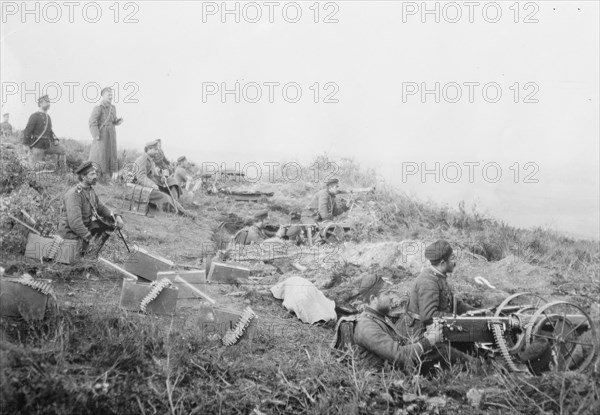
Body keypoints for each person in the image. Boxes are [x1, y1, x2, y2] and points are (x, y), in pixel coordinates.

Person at [354, 274, 444, 372]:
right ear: (373, 299)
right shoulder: (367, 327)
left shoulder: (379, 318)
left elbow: (401, 345)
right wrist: (428, 342)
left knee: (443, 352)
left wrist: (425, 337)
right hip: (382, 383)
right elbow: (399, 356)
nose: (392, 297)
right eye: (387, 293)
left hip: (394, 376)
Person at [57, 161, 124, 257]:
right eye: (92, 174)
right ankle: (85, 252)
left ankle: (89, 252)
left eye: (96, 173)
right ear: (83, 177)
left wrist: (116, 216)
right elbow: (75, 223)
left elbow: (100, 207)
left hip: (84, 230)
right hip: (71, 234)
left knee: (109, 223)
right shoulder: (75, 195)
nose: (96, 176)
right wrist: (89, 238)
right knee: (80, 258)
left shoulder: (89, 190)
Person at [130, 140, 183, 213]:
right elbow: (141, 177)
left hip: (147, 185)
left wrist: (162, 176)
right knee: (165, 197)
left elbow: (154, 174)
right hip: (140, 187)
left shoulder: (150, 160)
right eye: (155, 150)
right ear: (148, 149)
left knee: (172, 182)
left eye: (157, 150)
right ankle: (181, 211)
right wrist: (152, 185)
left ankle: (176, 206)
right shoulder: (142, 159)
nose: (157, 152)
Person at [22, 95, 67, 173]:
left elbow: (49, 131)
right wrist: (26, 145)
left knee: (62, 150)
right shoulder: (34, 116)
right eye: (46, 102)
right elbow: (27, 131)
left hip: (47, 145)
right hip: (37, 146)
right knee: (35, 170)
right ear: (40, 104)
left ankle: (61, 173)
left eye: (49, 102)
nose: (48, 103)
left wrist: (55, 139)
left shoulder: (48, 117)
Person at [88, 87, 123, 180]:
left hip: (112, 134)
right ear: (103, 96)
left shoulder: (113, 108)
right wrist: (96, 134)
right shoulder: (99, 107)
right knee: (101, 154)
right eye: (108, 95)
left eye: (111, 95)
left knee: (111, 154)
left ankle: (110, 175)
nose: (111, 96)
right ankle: (98, 175)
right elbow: (92, 121)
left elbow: (113, 120)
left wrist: (117, 121)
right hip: (102, 133)